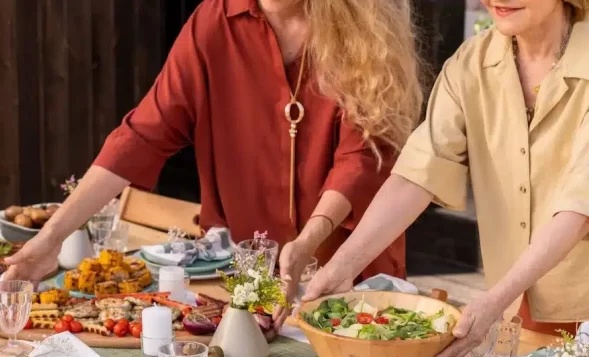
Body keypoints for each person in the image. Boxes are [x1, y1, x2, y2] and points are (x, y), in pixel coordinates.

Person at [4, 0, 422, 329]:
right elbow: (141, 135)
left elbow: (362, 158)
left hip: (347, 267)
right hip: (249, 276)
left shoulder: (366, 27)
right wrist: (53, 236)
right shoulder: (212, 23)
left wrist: (308, 242)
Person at [304, 0, 589, 357]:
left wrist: (495, 297)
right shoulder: (470, 63)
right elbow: (418, 174)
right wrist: (344, 264)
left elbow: (578, 208)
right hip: (520, 307)